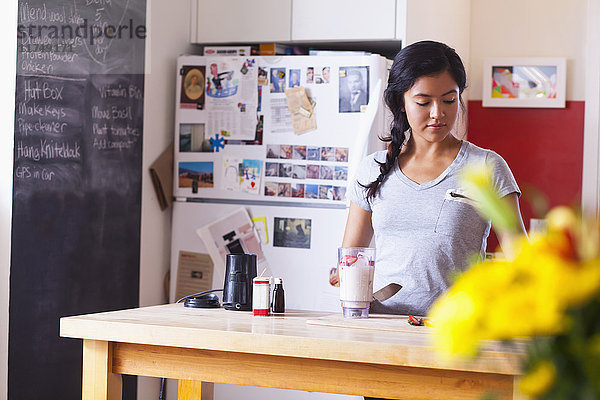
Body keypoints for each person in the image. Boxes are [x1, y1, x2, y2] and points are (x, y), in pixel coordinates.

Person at [332, 41, 526, 320]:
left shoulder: (485, 167)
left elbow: (521, 258)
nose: (438, 113)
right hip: (382, 327)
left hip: (456, 331)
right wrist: (346, 277)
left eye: (449, 100)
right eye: (424, 102)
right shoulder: (372, 168)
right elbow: (351, 254)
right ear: (401, 101)